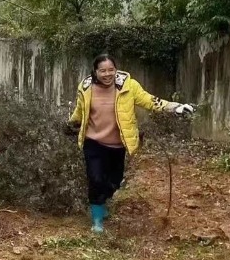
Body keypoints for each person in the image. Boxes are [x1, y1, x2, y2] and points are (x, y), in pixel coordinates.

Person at [67, 54, 194, 234]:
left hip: (118, 146)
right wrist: (70, 125)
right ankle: (97, 221)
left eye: (111, 70)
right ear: (95, 72)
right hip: (93, 143)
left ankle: (104, 205)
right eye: (102, 71)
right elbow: (80, 112)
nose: (107, 74)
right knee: (95, 179)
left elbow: (150, 101)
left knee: (114, 182)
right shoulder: (85, 88)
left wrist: (175, 107)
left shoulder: (128, 86)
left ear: (116, 70)